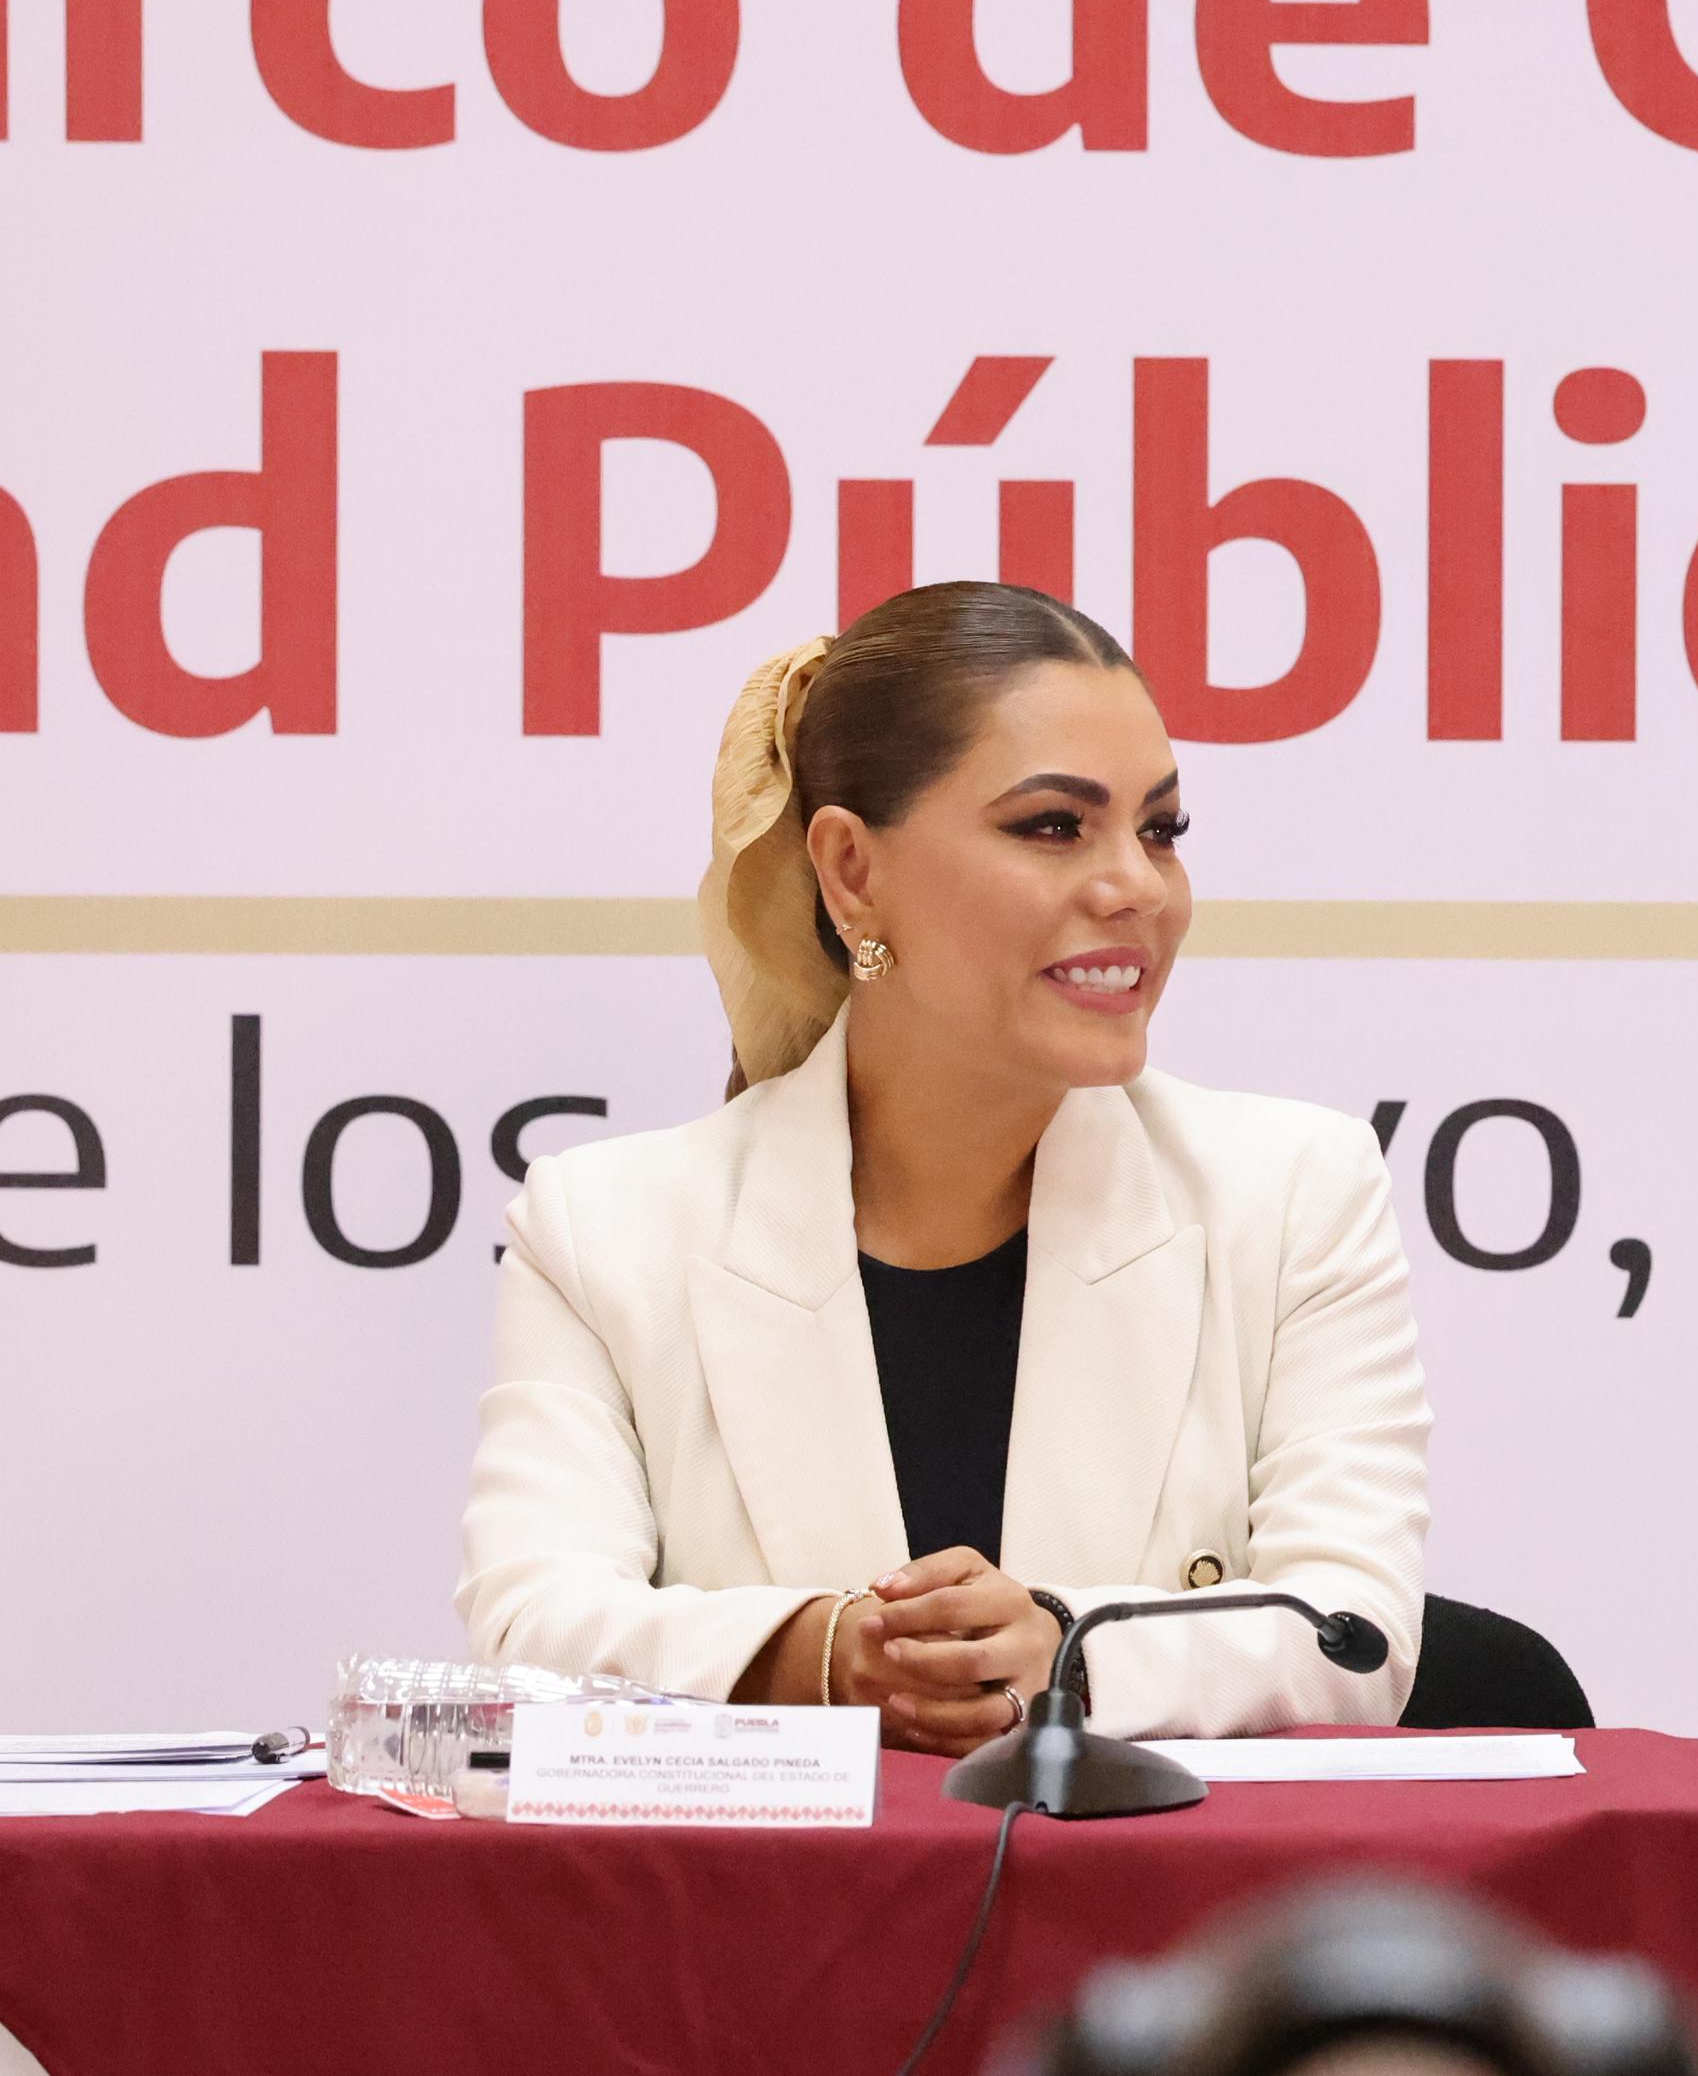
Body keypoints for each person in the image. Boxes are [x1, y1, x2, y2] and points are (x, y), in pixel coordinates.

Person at [458, 583, 1433, 1749]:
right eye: (1054, 825)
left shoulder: (1295, 1191)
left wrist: (1065, 1648)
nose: (1137, 886)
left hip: (1142, 1870)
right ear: (852, 871)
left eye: (1161, 829)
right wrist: (826, 1650)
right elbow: (529, 1630)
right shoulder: (604, 1226)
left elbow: (1353, 1631)